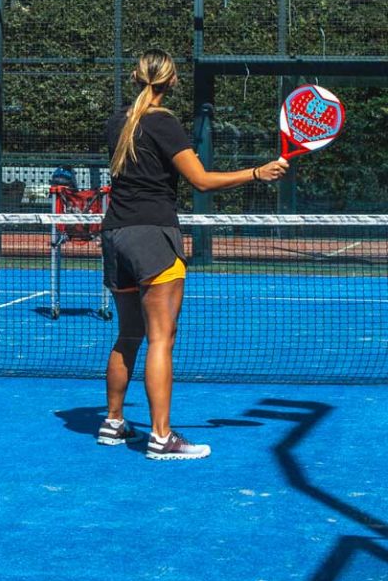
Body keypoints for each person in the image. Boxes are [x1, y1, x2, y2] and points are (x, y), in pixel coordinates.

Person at [97, 48, 287, 461]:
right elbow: (200, 181)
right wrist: (257, 172)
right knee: (161, 338)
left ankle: (112, 422)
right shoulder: (164, 123)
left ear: (137, 77)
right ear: (172, 81)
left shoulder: (118, 122)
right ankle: (161, 436)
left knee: (129, 334)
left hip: (115, 234)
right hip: (152, 237)